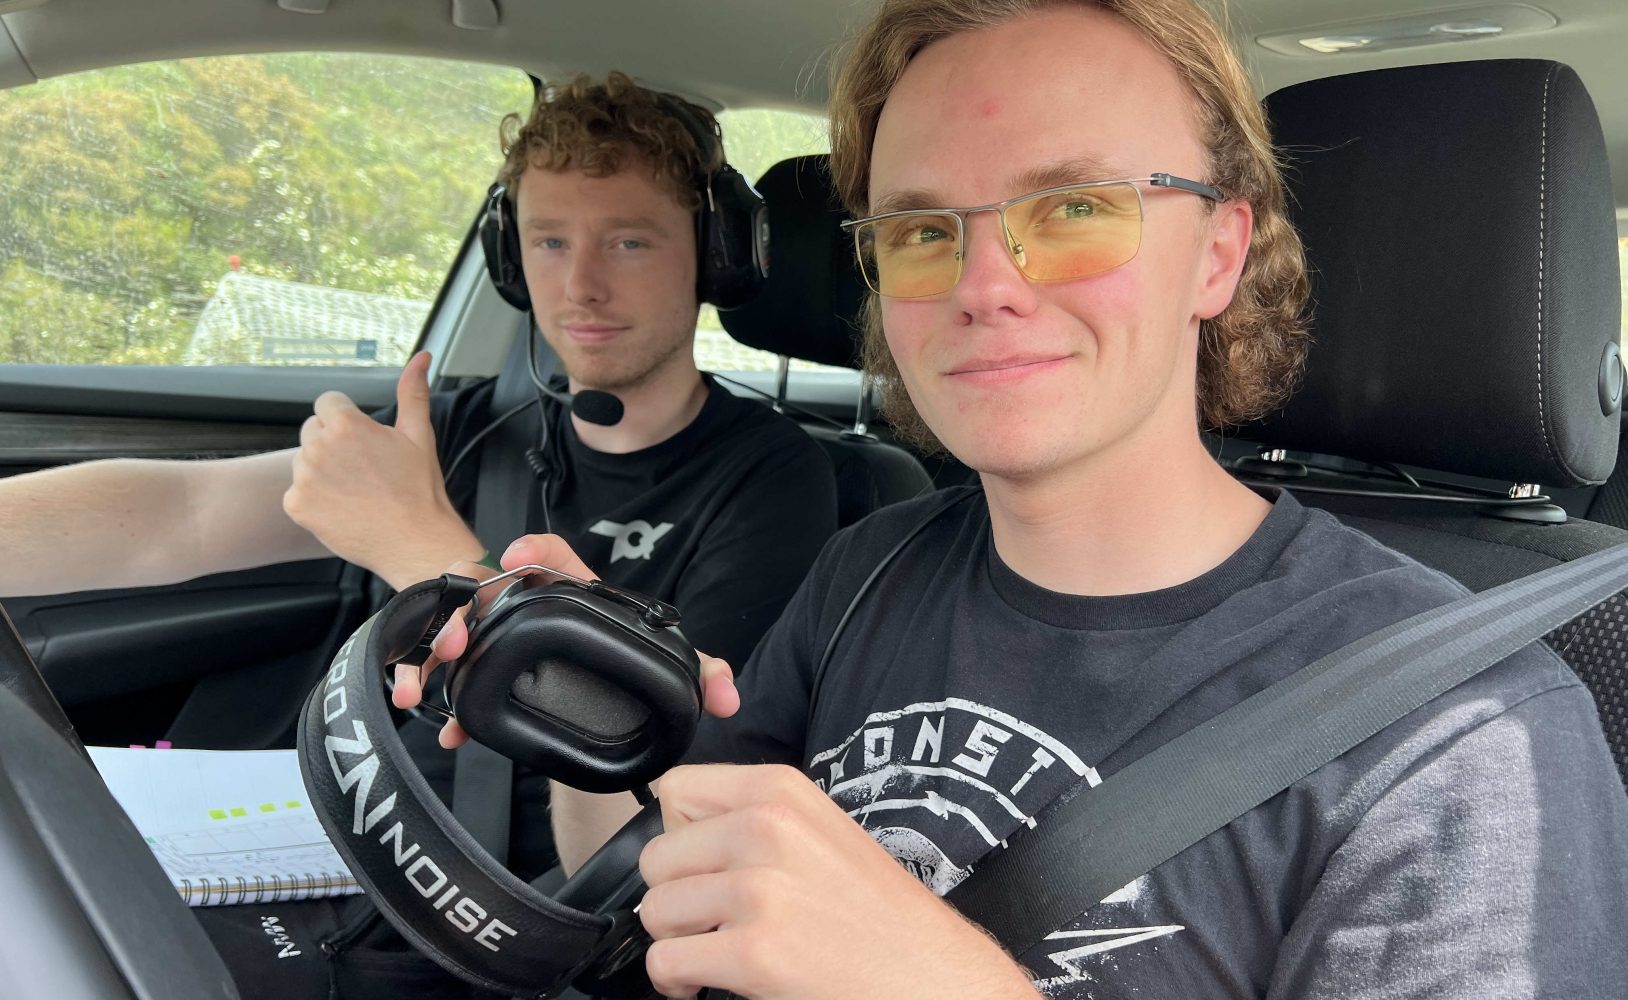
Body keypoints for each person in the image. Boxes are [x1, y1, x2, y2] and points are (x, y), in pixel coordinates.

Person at [417, 2, 1628, 998]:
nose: (982, 283)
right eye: (921, 229)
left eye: (1075, 209)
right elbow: (669, 890)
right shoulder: (867, 571)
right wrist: (573, 692)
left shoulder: (1462, 737)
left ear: (1215, 254)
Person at [0, 73, 839, 877]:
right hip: (321, 842)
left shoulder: (773, 481)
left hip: (502, 905)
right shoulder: (465, 430)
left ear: (714, 258)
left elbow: (648, 819)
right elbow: (183, 513)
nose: (580, 285)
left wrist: (422, 547)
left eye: (628, 241)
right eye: (550, 241)